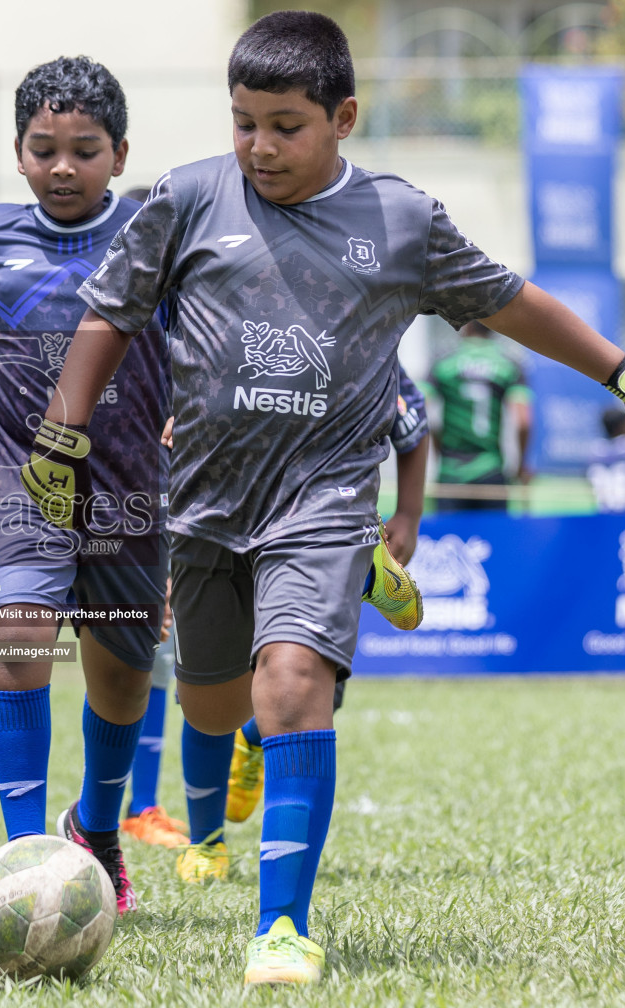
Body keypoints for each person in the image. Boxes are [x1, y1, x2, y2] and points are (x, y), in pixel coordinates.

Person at [23, 11, 625, 986]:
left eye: (285, 125)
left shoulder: (401, 221)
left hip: (325, 503)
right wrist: (63, 425)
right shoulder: (186, 198)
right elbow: (110, 312)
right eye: (244, 121)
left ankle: (281, 926)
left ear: (344, 116)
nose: (259, 145)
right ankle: (255, 730)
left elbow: (515, 302)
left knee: (294, 686)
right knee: (213, 711)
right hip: (206, 510)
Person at [0, 56, 170, 914]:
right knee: (18, 644)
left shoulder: (154, 232)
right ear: (18, 153)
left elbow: (207, 330)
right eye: (44, 148)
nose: (63, 166)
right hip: (23, 481)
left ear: (120, 155)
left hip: (130, 485)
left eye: (84, 150)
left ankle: (95, 825)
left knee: (122, 675)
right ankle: (26, 849)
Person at [177, 367, 431, 885]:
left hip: (321, 515)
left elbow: (412, 423)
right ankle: (207, 836)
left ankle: (270, 907)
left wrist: (408, 513)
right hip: (223, 511)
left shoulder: (356, 323)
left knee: (309, 683)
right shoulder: (205, 321)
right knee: (208, 692)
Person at [425, 319, 531, 512]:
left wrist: (436, 448)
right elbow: (523, 422)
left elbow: (420, 409)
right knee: (494, 540)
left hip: (451, 471)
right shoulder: (509, 364)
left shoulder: (444, 361)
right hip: (491, 471)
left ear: (465, 325)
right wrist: (520, 466)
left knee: (451, 540)